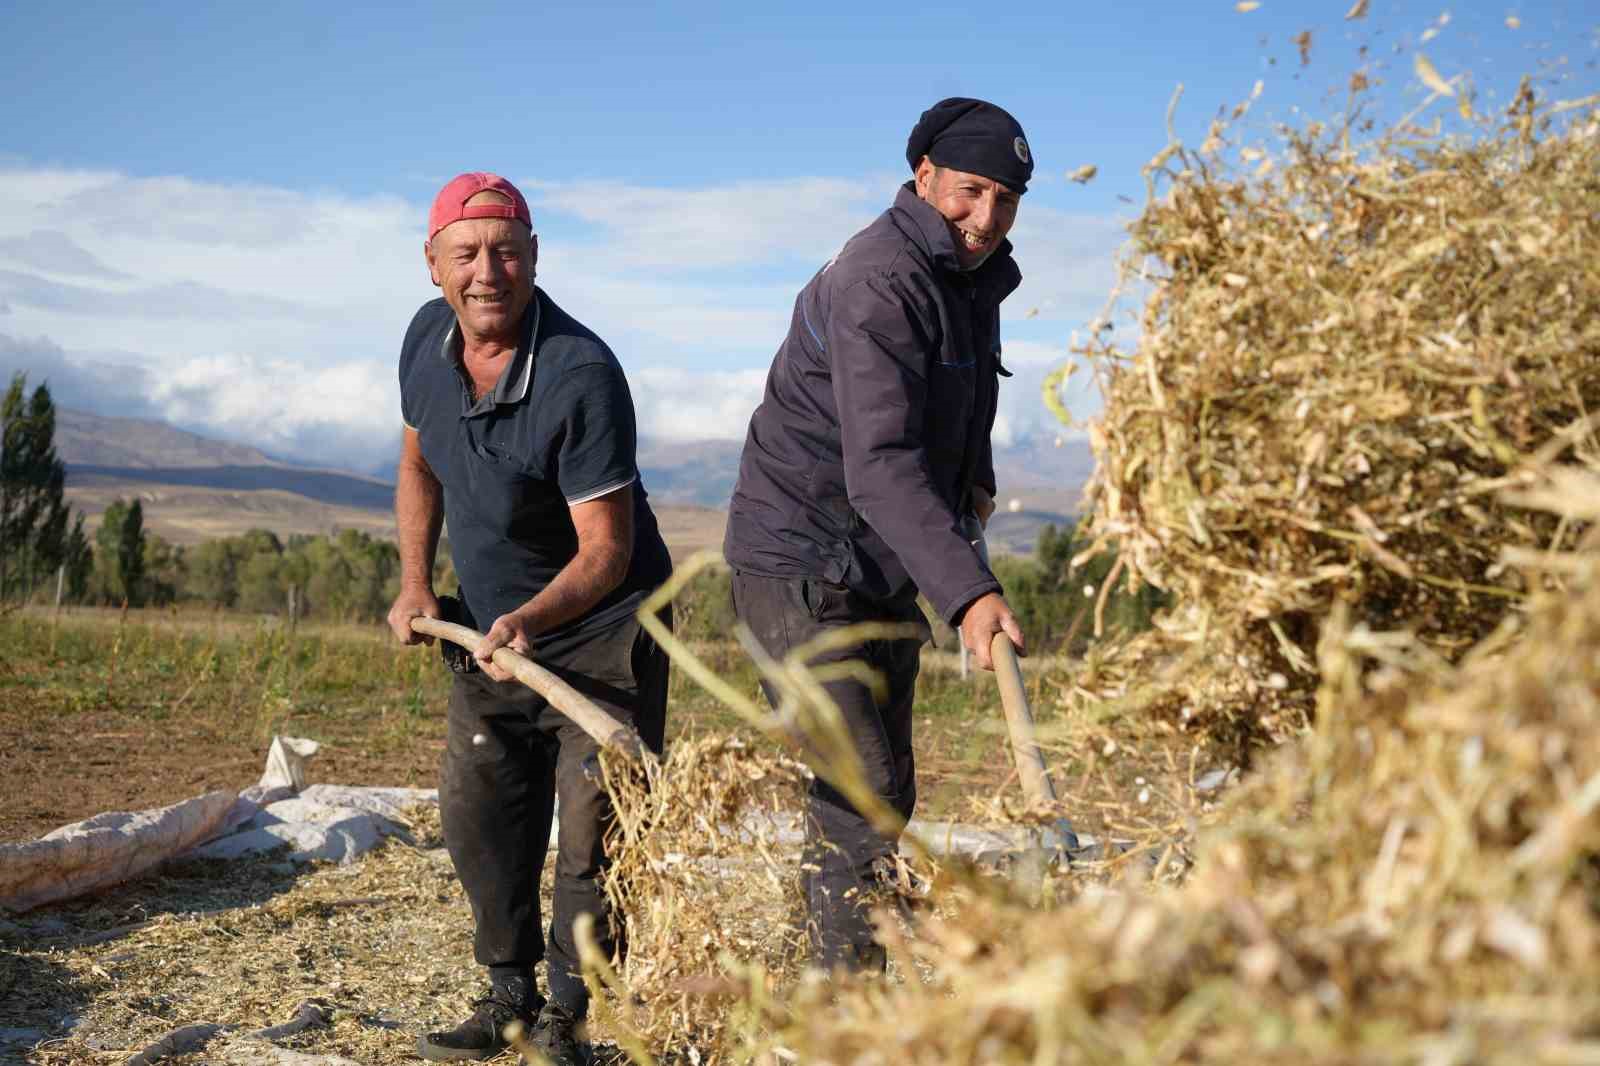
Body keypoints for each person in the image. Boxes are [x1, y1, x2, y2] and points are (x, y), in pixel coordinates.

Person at [723, 98, 1033, 972]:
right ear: (924, 175)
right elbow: (883, 462)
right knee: (863, 790)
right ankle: (847, 1012)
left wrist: (974, 488)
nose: (987, 218)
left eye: (1007, 201)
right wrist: (969, 593)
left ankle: (826, 982)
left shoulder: (968, 275)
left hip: (881, 557)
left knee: (877, 787)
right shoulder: (881, 278)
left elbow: (957, 408)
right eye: (971, 192)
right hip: (800, 559)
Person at [386, 172, 673, 1063]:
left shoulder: (581, 374)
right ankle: (507, 994)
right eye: (466, 253)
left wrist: (529, 622)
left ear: (535, 257)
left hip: (599, 633)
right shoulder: (425, 342)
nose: (488, 271)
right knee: (482, 813)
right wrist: (415, 582)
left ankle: (571, 1020)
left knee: (594, 835)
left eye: (507, 251)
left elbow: (606, 554)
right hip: (487, 632)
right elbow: (419, 464)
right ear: (432, 265)